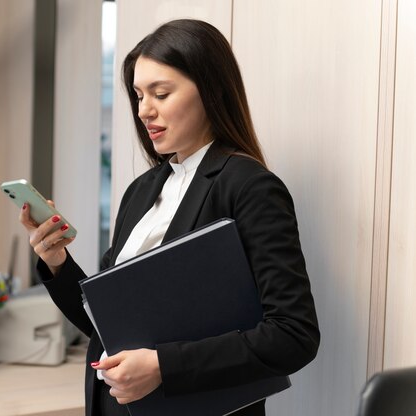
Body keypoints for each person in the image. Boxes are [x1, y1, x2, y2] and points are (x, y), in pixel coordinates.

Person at [18, 19, 320, 416]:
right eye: (139, 95)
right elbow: (106, 324)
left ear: (211, 92)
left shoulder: (249, 187)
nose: (144, 110)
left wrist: (163, 367)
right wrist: (57, 262)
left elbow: (293, 335)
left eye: (160, 93)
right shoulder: (141, 190)